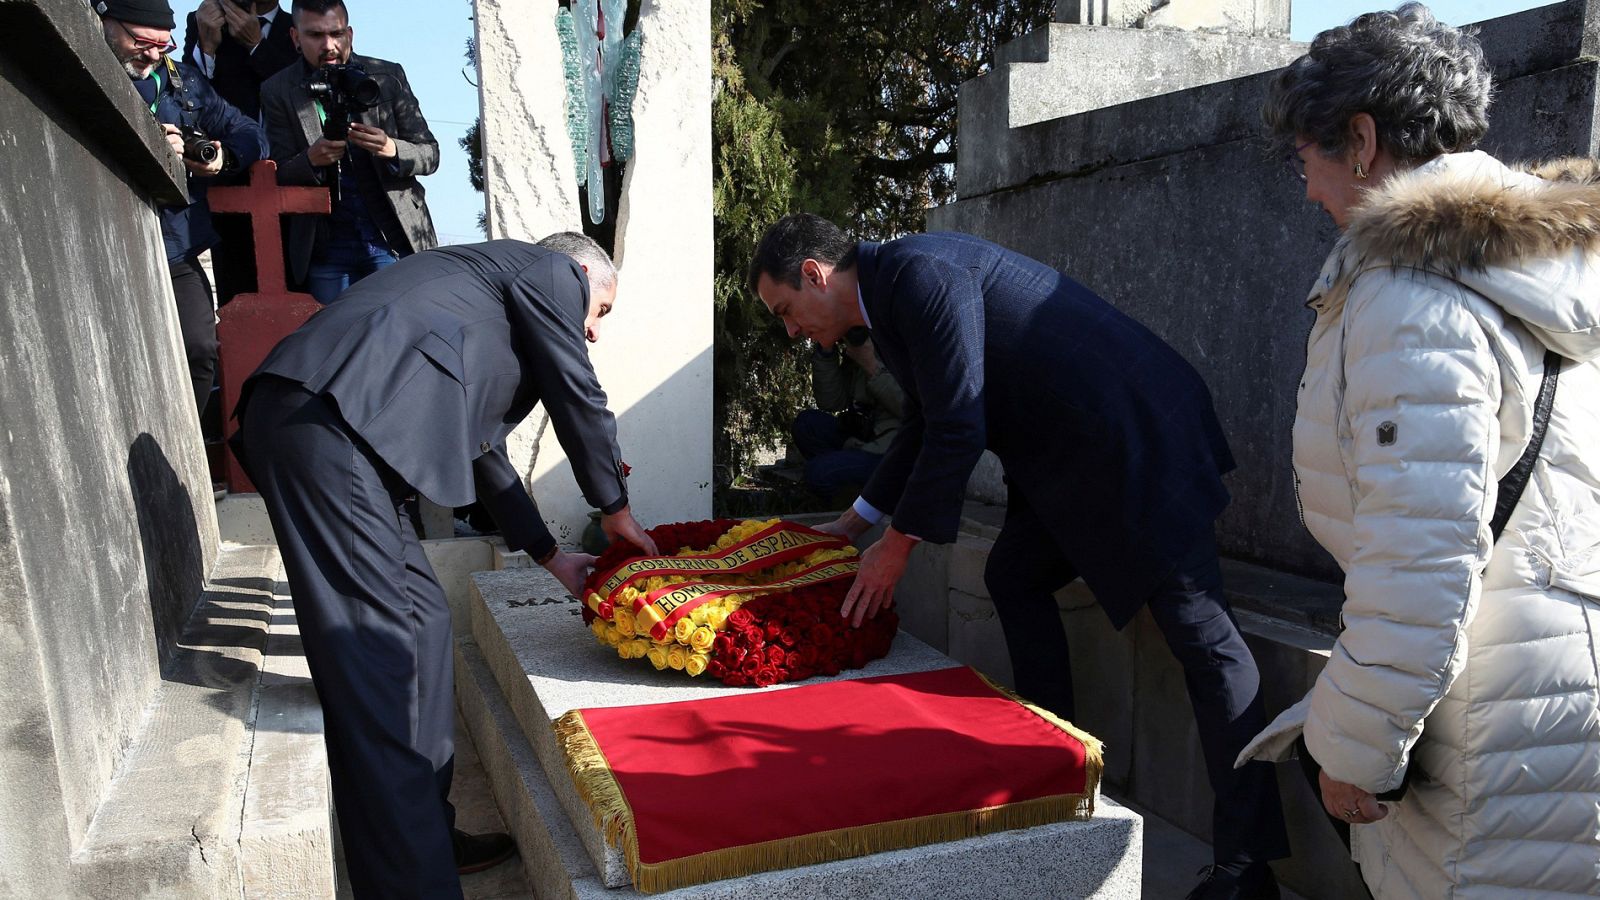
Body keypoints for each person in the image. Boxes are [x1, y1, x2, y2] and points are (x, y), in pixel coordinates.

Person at [750, 215, 1289, 899]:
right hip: (1070, 464)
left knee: (1207, 642)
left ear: (815, 276)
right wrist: (853, 524)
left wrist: (897, 546)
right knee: (1014, 574)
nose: (792, 332)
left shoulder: (920, 275)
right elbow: (924, 419)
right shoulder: (888, 298)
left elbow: (958, 424)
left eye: (787, 312)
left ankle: (1249, 865)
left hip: (1134, 440)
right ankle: (1058, 766)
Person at [1235, 5, 1600, 896]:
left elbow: (1421, 557)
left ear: (1360, 141)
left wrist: (1357, 751)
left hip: (1488, 726)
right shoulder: (1536, 266)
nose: (1309, 189)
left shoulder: (1410, 295)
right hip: (1555, 689)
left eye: (1307, 158)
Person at [234, 233, 656, 898]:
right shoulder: (548, 271)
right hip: (329, 425)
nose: (594, 331)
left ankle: (426, 834)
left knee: (424, 624)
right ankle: (412, 883)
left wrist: (551, 557)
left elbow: (483, 452)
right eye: (601, 309)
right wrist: (615, 507)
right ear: (580, 272)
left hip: (339, 432)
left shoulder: (480, 305)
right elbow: (578, 390)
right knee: (382, 665)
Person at [96, 0, 267, 415]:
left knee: (200, 346)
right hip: (99, 239)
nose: (153, 55)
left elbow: (251, 132)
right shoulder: (76, 68)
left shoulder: (183, 83)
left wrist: (219, 159)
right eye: (141, 43)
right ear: (104, 21)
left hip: (174, 244)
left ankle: (179, 446)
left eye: (163, 45)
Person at [260, 0, 438, 302]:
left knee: (399, 339)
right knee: (338, 343)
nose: (328, 45)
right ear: (295, 38)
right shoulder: (277, 90)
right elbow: (275, 172)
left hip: (392, 238)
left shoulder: (387, 77)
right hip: (326, 249)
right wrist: (310, 160)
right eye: (315, 35)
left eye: (337, 33)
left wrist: (391, 148)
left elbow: (430, 155)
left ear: (350, 34)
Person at [182, 0, 299, 307]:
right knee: (237, 297)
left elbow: (302, 92)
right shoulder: (202, 23)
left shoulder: (299, 25)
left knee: (298, 292)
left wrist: (257, 45)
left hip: (294, 176)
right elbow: (187, 98)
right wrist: (206, 46)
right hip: (226, 177)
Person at [791, 328, 903, 501]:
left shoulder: (905, 342)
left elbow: (916, 409)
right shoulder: (862, 341)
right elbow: (831, 402)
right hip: (863, 439)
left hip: (895, 450)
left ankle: (867, 503)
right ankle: (854, 482)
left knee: (818, 473)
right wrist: (826, 351)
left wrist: (871, 366)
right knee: (807, 424)